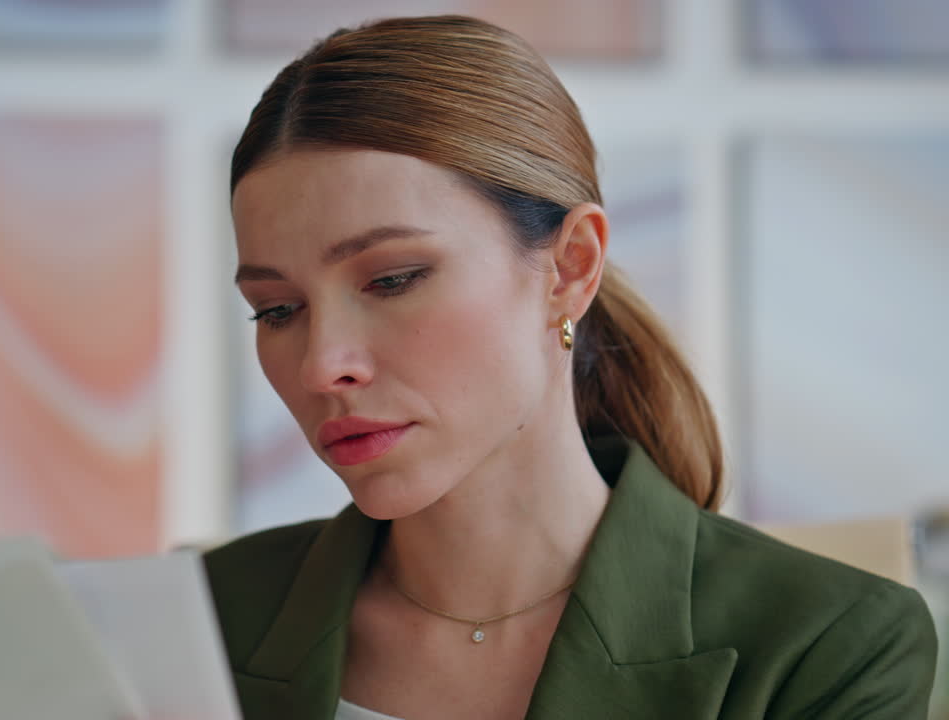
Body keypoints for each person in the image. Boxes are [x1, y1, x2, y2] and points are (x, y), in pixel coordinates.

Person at [204, 15, 938, 720]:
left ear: (570, 267)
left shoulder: (827, 643)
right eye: (277, 310)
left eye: (393, 279)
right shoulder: (199, 620)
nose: (322, 366)